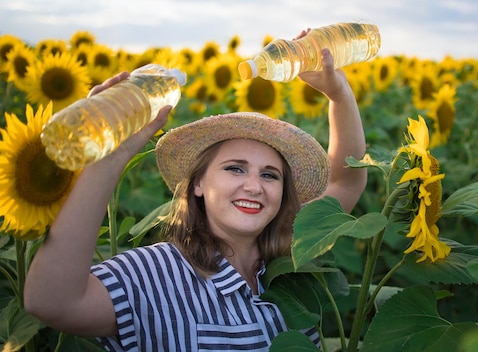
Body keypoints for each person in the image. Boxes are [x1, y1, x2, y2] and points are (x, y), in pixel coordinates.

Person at [24, 28, 367, 351]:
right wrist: (109, 158)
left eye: (270, 175)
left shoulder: (290, 261)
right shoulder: (156, 274)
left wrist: (338, 93)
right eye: (234, 168)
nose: (254, 186)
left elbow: (345, 180)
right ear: (198, 183)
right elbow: (52, 301)